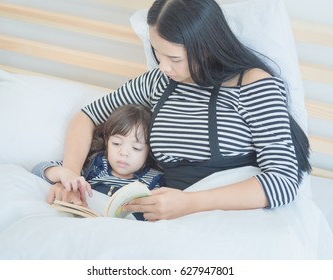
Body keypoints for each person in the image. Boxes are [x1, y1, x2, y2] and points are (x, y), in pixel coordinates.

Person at [47, 0, 311, 221]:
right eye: (157, 54)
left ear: (207, 48)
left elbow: (283, 180)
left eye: (174, 59)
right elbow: (87, 116)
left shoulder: (254, 84)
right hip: (168, 216)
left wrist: (189, 203)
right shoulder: (158, 82)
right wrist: (70, 178)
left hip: (233, 214)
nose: (163, 67)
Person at [32, 104, 164, 219]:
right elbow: (37, 170)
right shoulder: (94, 165)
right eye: (116, 143)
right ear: (107, 141)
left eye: (136, 148)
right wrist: (65, 174)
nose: (123, 153)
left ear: (148, 151)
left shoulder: (154, 181)